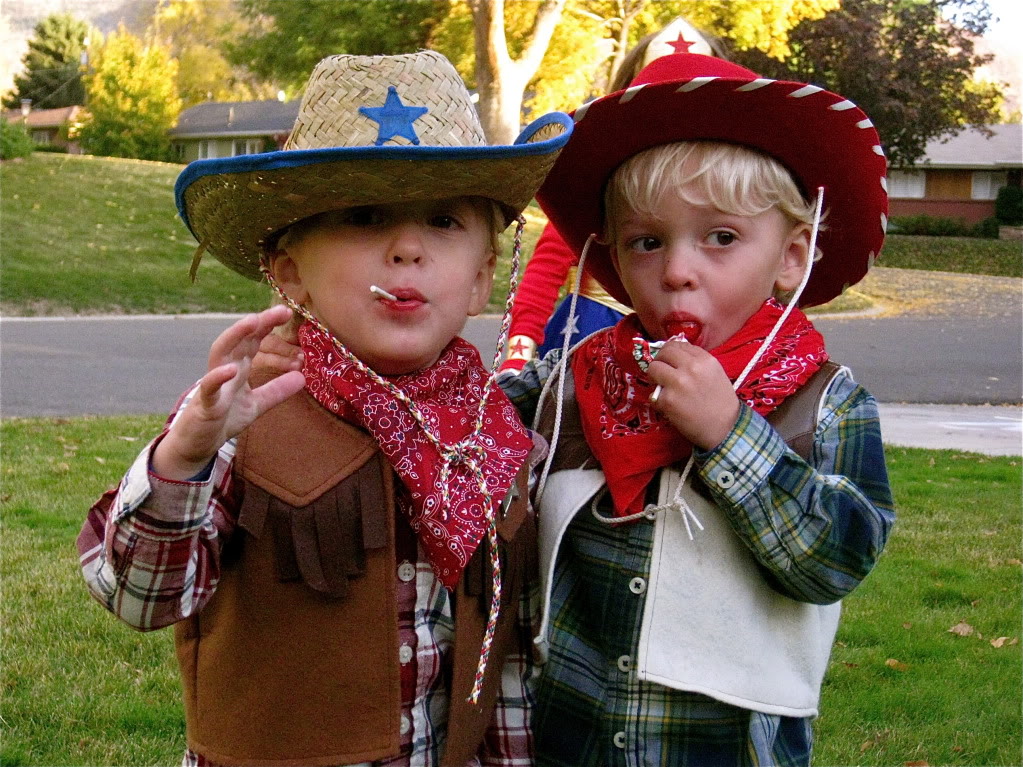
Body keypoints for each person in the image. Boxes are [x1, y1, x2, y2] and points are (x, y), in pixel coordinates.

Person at [77, 51, 572, 767]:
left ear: (480, 280)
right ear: (289, 274)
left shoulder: (492, 437)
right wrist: (184, 456)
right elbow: (137, 597)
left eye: (441, 220)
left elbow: (502, 656)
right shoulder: (243, 416)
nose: (406, 248)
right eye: (365, 217)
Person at [499, 51, 896, 764]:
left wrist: (730, 434)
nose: (677, 268)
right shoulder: (573, 383)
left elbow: (836, 560)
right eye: (646, 242)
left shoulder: (827, 403)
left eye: (719, 237)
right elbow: (461, 420)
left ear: (789, 256)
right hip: (570, 736)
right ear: (614, 262)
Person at [501, 17, 725, 372]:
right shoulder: (602, 182)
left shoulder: (737, 188)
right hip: (594, 333)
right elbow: (548, 264)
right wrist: (521, 344)